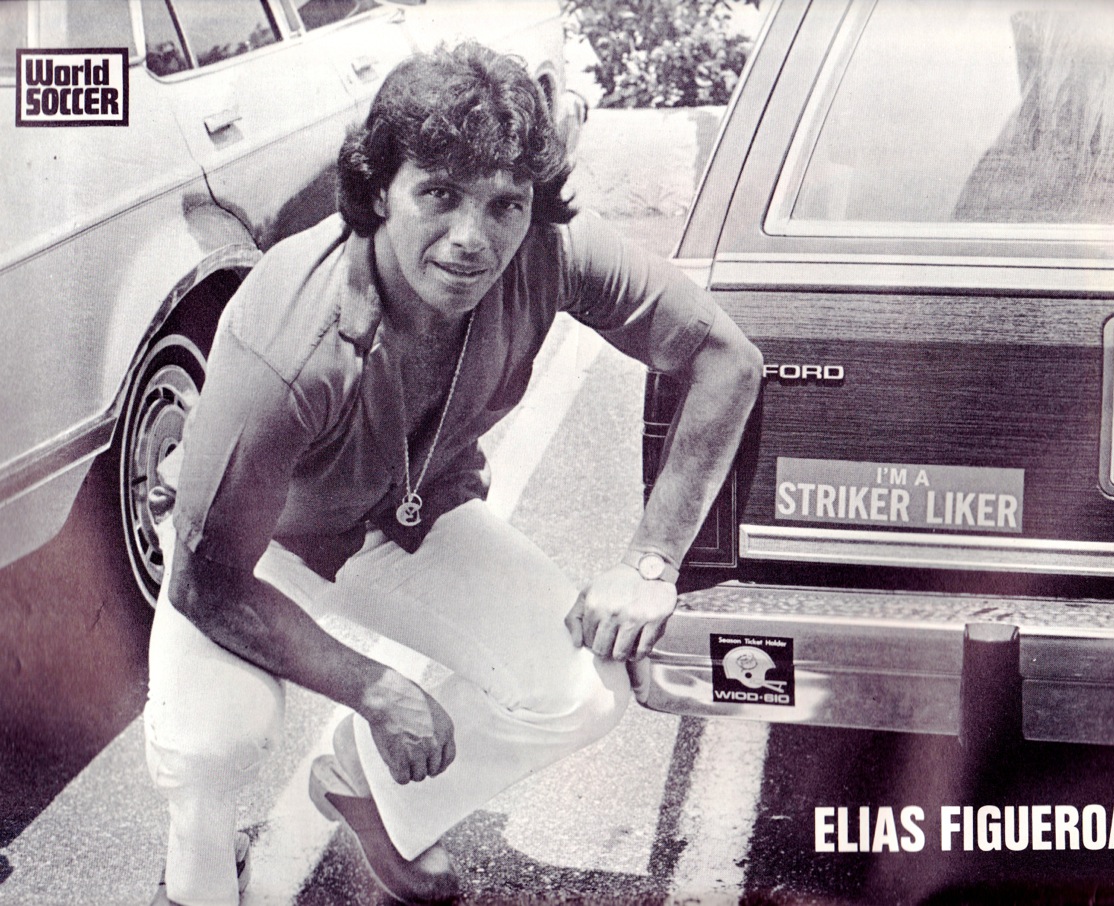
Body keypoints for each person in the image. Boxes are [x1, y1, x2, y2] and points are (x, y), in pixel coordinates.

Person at [143, 42, 761, 906]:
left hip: (406, 515)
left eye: (504, 203)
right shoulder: (292, 332)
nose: (473, 239)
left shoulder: (548, 248)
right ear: (378, 192)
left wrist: (651, 561)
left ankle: (372, 794)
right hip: (257, 545)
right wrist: (374, 690)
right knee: (216, 743)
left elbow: (726, 358)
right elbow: (205, 584)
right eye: (438, 193)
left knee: (582, 691)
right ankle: (194, 876)